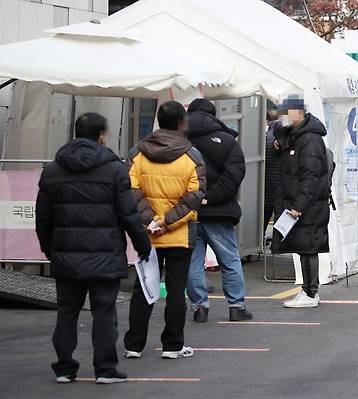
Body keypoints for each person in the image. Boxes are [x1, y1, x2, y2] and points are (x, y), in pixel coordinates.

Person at [36, 113, 150, 384]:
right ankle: (105, 369)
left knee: (67, 311)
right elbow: (128, 214)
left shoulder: (53, 170)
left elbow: (43, 217)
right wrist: (142, 244)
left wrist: (49, 249)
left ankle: (64, 367)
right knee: (104, 312)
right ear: (102, 135)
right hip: (105, 254)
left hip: (66, 254)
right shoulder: (114, 169)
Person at [123, 101, 205, 359]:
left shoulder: (137, 152)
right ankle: (173, 345)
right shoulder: (192, 155)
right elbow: (195, 195)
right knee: (176, 290)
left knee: (142, 289)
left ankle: (134, 345)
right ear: (182, 122)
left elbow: (130, 190)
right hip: (179, 235)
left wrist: (151, 221)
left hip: (147, 235)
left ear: (158, 119)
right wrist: (167, 221)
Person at [184, 98, 252, 323]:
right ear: (213, 115)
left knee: (192, 262)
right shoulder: (227, 141)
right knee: (229, 260)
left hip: (187, 212)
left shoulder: (177, 140)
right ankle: (236, 307)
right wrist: (211, 198)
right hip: (219, 211)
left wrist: (193, 199)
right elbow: (234, 175)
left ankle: (199, 307)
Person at [270, 97, 330, 308]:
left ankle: (311, 293)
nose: (282, 118)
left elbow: (310, 177)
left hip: (308, 205)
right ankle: (307, 290)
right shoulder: (296, 136)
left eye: (286, 113)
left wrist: (299, 206)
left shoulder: (310, 139)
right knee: (303, 245)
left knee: (308, 246)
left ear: (298, 113)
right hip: (301, 202)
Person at [264, 107, 282, 237]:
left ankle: (260, 238)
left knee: (264, 214)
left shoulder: (263, 137)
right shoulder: (282, 136)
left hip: (265, 182)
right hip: (280, 183)